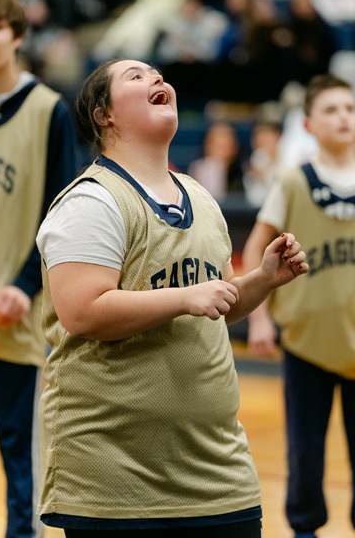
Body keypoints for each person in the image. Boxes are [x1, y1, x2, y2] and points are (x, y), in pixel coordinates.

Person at [36, 58, 308, 537]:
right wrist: (184, 298)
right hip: (116, 480)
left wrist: (263, 279)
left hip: (219, 475)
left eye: (158, 75)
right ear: (105, 115)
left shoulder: (201, 197)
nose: (157, 79)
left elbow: (217, 304)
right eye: (136, 77)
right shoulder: (91, 201)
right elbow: (83, 312)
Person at [0, 0, 79, 538]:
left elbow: (64, 210)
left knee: (20, 459)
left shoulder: (48, 110)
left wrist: (27, 285)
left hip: (15, 312)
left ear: (17, 37)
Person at [242, 74, 355, 538]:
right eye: (330, 109)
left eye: (349, 108)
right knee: (304, 452)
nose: (343, 117)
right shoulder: (292, 182)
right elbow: (254, 252)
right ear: (308, 124)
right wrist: (261, 319)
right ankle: (305, 529)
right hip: (307, 341)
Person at [187, 122, 243, 202]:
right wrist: (216, 169)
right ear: (207, 147)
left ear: (235, 148)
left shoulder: (243, 173)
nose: (221, 153)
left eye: (225, 147)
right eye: (217, 147)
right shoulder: (199, 168)